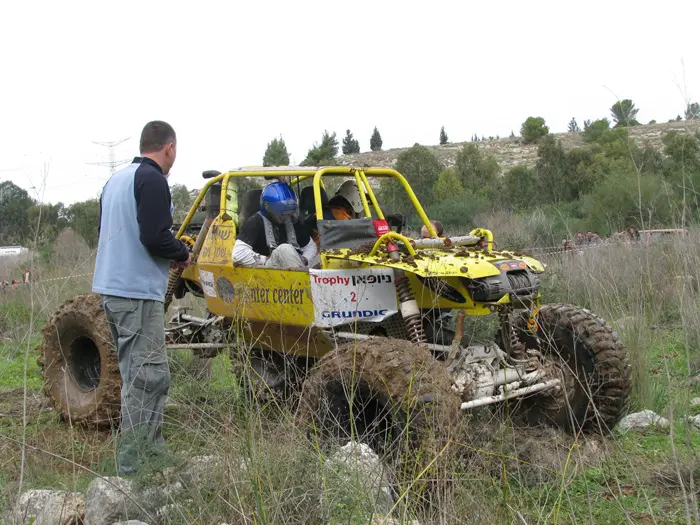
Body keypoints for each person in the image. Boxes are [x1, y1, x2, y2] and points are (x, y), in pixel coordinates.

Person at [92, 120, 190, 476]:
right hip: (135, 293)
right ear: (170, 149)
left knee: (140, 375)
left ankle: (151, 453)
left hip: (111, 289)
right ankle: (134, 467)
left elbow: (106, 232)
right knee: (149, 376)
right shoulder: (153, 181)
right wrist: (181, 251)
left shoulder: (114, 181)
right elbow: (154, 237)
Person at [233, 180, 318, 269]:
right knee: (285, 249)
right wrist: (264, 259)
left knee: (323, 258)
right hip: (266, 271)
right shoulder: (255, 222)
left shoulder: (293, 221)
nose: (285, 217)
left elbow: (311, 247)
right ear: (268, 208)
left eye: (288, 212)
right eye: (281, 213)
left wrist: (304, 259)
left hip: (292, 269)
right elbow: (238, 254)